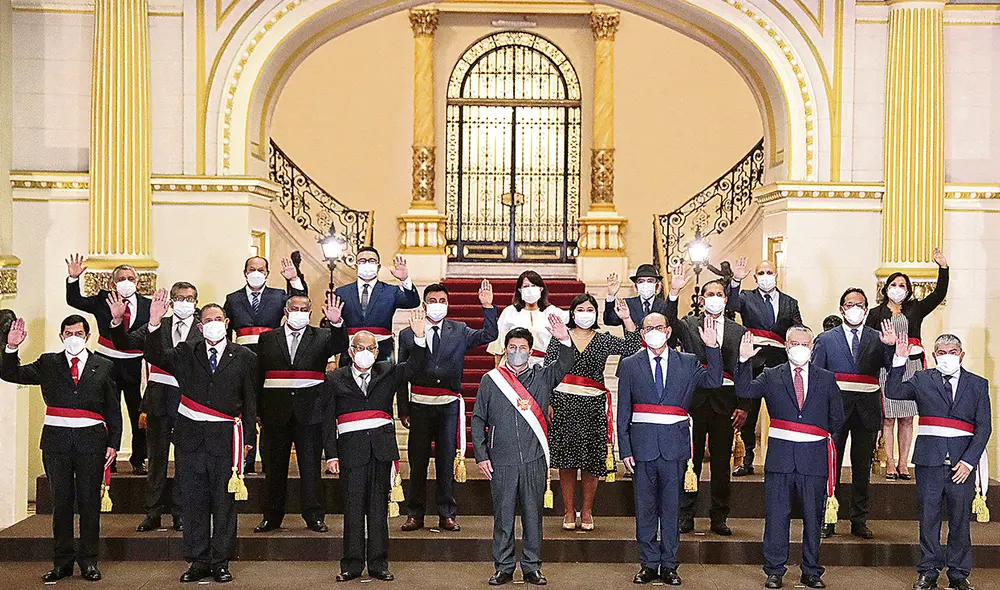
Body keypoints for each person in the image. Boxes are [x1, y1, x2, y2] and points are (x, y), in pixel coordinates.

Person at [142, 291, 258, 584]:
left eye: (218, 319)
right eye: (208, 320)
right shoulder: (184, 353)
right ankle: (198, 560)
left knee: (224, 503)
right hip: (190, 439)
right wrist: (154, 323)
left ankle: (220, 561)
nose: (214, 324)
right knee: (194, 502)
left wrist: (249, 443)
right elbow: (155, 356)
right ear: (199, 326)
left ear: (227, 322)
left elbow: (251, 401)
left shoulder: (245, 357)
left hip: (225, 440)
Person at [2, 315, 121, 583]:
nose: (73, 338)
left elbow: (113, 408)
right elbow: (11, 373)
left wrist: (113, 442)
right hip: (57, 444)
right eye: (68, 333)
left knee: (89, 503)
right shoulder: (48, 363)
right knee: (62, 503)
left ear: (87, 336)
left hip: (91, 442)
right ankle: (62, 563)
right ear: (61, 336)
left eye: (79, 333)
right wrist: (11, 348)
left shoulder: (104, 365)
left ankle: (89, 562)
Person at [734, 326, 844, 590]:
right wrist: (743, 360)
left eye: (805, 344)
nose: (800, 348)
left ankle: (811, 570)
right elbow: (745, 390)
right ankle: (774, 570)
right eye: (795, 343)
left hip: (813, 459)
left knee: (813, 518)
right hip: (781, 459)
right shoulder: (771, 375)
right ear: (786, 346)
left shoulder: (826, 378)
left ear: (813, 348)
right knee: (776, 517)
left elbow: (837, 417)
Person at [616, 313, 722, 586]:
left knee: (672, 509)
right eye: (648, 328)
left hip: (675, 448)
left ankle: (670, 565)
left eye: (658, 327)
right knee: (646, 509)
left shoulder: (687, 362)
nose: (653, 331)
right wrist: (624, 448)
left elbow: (714, 381)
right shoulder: (629, 364)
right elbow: (623, 411)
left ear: (668, 330)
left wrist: (713, 347)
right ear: (641, 332)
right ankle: (649, 564)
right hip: (642, 448)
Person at [323, 310, 428, 582]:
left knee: (378, 510)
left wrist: (419, 337)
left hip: (381, 451)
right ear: (351, 350)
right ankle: (351, 564)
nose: (366, 352)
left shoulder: (388, 372)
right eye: (361, 347)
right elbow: (326, 419)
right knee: (353, 509)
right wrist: (331, 455)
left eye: (371, 348)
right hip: (350, 452)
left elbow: (415, 365)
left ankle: (379, 564)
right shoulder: (335, 378)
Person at [472, 316, 575, 586]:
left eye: (522, 347)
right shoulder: (491, 380)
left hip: (534, 458)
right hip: (501, 460)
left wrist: (564, 338)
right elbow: (478, 419)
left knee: (533, 516)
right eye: (512, 347)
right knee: (503, 517)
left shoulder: (543, 376)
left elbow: (566, 362)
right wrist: (482, 455)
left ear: (530, 351)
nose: (517, 352)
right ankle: (503, 567)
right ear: (505, 349)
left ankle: (532, 566)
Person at [886, 333, 990, 590]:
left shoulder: (978, 384)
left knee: (960, 518)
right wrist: (899, 358)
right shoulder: (922, 379)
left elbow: (984, 427)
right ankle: (929, 570)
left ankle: (958, 573)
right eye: (941, 352)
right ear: (933, 356)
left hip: (962, 464)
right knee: (929, 517)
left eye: (952, 352)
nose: (947, 357)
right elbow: (894, 391)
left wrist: (968, 462)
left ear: (962, 355)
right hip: (929, 460)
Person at [397, 280, 498, 533]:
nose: (438, 305)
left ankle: (447, 513)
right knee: (417, 462)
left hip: (448, 406)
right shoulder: (408, 333)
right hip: (419, 404)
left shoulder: (459, 330)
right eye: (433, 301)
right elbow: (400, 375)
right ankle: (415, 513)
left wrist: (487, 307)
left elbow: (489, 335)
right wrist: (403, 408)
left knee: (445, 461)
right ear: (424, 304)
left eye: (443, 301)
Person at [109, 281, 202, 533]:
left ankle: (181, 512)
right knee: (156, 460)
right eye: (179, 297)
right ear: (170, 301)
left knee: (185, 460)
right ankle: (153, 512)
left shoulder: (203, 329)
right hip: (159, 399)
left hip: (189, 402)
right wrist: (118, 321)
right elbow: (125, 344)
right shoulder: (157, 324)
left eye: (190, 298)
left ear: (196, 302)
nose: (185, 302)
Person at [253, 294, 349, 534]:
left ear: (310, 312)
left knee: (310, 468)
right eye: (294, 308)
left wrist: (337, 323)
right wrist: (257, 410)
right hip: (275, 413)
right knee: (274, 468)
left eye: (304, 309)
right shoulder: (267, 338)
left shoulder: (323, 336)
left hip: (311, 412)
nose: (298, 312)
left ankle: (314, 516)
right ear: (286, 311)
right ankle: (272, 517)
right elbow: (258, 375)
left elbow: (341, 345)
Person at [548, 293, 641, 532]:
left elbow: (633, 347)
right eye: (580, 309)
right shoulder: (560, 337)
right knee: (566, 461)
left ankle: (587, 510)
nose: (585, 313)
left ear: (596, 314)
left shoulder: (603, 339)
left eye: (590, 309)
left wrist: (627, 319)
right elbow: (549, 371)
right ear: (572, 312)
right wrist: (547, 401)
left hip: (593, 405)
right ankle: (569, 510)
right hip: (563, 403)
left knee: (591, 461)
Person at [812, 288, 894, 540]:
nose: (854, 308)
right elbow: (816, 375)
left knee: (862, 468)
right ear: (841, 309)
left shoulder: (878, 337)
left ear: (866, 310)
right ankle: (828, 518)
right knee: (830, 466)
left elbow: (891, 367)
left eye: (859, 304)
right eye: (849, 304)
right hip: (835, 411)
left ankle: (859, 520)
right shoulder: (826, 339)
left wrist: (891, 347)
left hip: (866, 410)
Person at [672, 278, 750, 537]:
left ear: (726, 299)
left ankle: (719, 517)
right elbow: (669, 325)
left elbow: (744, 369)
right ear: (702, 300)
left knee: (721, 464)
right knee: (689, 461)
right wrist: (674, 293)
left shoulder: (737, 331)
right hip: (693, 400)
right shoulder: (689, 324)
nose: (715, 297)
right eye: (710, 294)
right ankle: (686, 514)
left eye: (719, 293)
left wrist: (744, 404)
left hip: (725, 402)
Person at [866, 248, 950, 480]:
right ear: (886, 288)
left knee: (907, 417)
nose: (898, 288)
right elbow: (871, 342)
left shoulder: (916, 309)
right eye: (894, 284)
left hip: (912, 366)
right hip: (887, 367)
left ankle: (904, 463)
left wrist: (943, 267)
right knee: (889, 417)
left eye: (902, 285)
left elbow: (939, 293)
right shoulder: (875, 313)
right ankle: (889, 462)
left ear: (908, 290)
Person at [65, 253, 150, 474]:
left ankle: (139, 458)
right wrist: (73, 279)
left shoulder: (148, 305)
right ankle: (107, 459)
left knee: (137, 414)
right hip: (106, 363)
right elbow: (75, 300)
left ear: (137, 282)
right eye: (121, 278)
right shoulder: (102, 299)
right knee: (109, 412)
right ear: (113, 282)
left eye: (131, 278)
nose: (126, 282)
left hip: (134, 365)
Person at [223, 255, 308, 474]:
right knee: (246, 407)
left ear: (267, 274)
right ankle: (246, 459)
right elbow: (225, 331)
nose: (256, 273)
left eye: (261, 269)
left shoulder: (279, 295)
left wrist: (294, 279)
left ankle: (269, 459)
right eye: (252, 268)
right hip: (242, 358)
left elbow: (300, 302)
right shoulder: (233, 299)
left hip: (271, 357)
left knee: (268, 408)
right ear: (245, 272)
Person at [726, 257, 803, 477]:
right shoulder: (745, 297)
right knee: (748, 411)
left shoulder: (790, 302)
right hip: (753, 360)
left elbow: (798, 327)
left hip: (780, 362)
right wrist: (735, 281)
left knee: (784, 409)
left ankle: (787, 458)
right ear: (755, 277)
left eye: (769, 272)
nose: (766, 277)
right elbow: (731, 305)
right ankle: (746, 458)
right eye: (761, 273)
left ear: (776, 274)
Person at [334, 247, 421, 365]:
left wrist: (405, 280)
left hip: (382, 353)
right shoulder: (342, 292)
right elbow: (334, 325)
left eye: (371, 261)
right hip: (351, 353)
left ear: (378, 266)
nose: (367, 264)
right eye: (362, 261)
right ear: (355, 266)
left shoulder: (391, 291)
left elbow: (413, 302)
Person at [487, 270, 569, 365]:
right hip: (514, 365)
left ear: (541, 289)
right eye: (526, 286)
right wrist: (497, 367)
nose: (530, 289)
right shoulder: (509, 312)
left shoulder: (552, 312)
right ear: (520, 290)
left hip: (543, 365)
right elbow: (498, 345)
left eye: (534, 286)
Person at [604, 264, 673, 327]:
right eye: (641, 281)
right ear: (636, 286)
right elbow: (610, 320)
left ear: (657, 285)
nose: (645, 284)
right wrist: (611, 295)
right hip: (632, 340)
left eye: (650, 281)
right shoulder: (627, 304)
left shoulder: (664, 305)